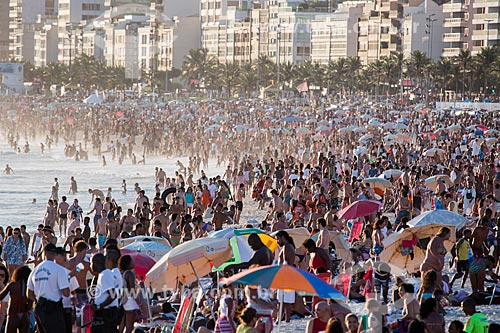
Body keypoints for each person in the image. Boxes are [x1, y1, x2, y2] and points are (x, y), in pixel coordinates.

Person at [27, 243, 70, 333]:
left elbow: (29, 294)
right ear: (55, 254)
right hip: (54, 308)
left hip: (39, 307)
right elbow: (66, 293)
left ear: (44, 253)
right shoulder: (59, 269)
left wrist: (37, 299)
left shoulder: (35, 271)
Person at [90, 253, 120, 333]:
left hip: (106, 313)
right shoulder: (103, 274)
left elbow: (113, 295)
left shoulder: (105, 274)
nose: (90, 265)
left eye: (91, 263)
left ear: (97, 263)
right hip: (106, 312)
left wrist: (99, 306)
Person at [0, 265, 32, 333]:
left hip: (13, 314)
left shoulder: (12, 285)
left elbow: (1, 297)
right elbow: (30, 304)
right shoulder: (29, 287)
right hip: (24, 314)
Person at [275, 230, 296, 322]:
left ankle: (280, 319)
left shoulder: (287, 247)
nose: (277, 241)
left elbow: (285, 263)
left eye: (278, 239)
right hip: (289, 275)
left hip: (285, 276)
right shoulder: (290, 246)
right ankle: (284, 319)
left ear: (283, 238)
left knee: (283, 300)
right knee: (286, 301)